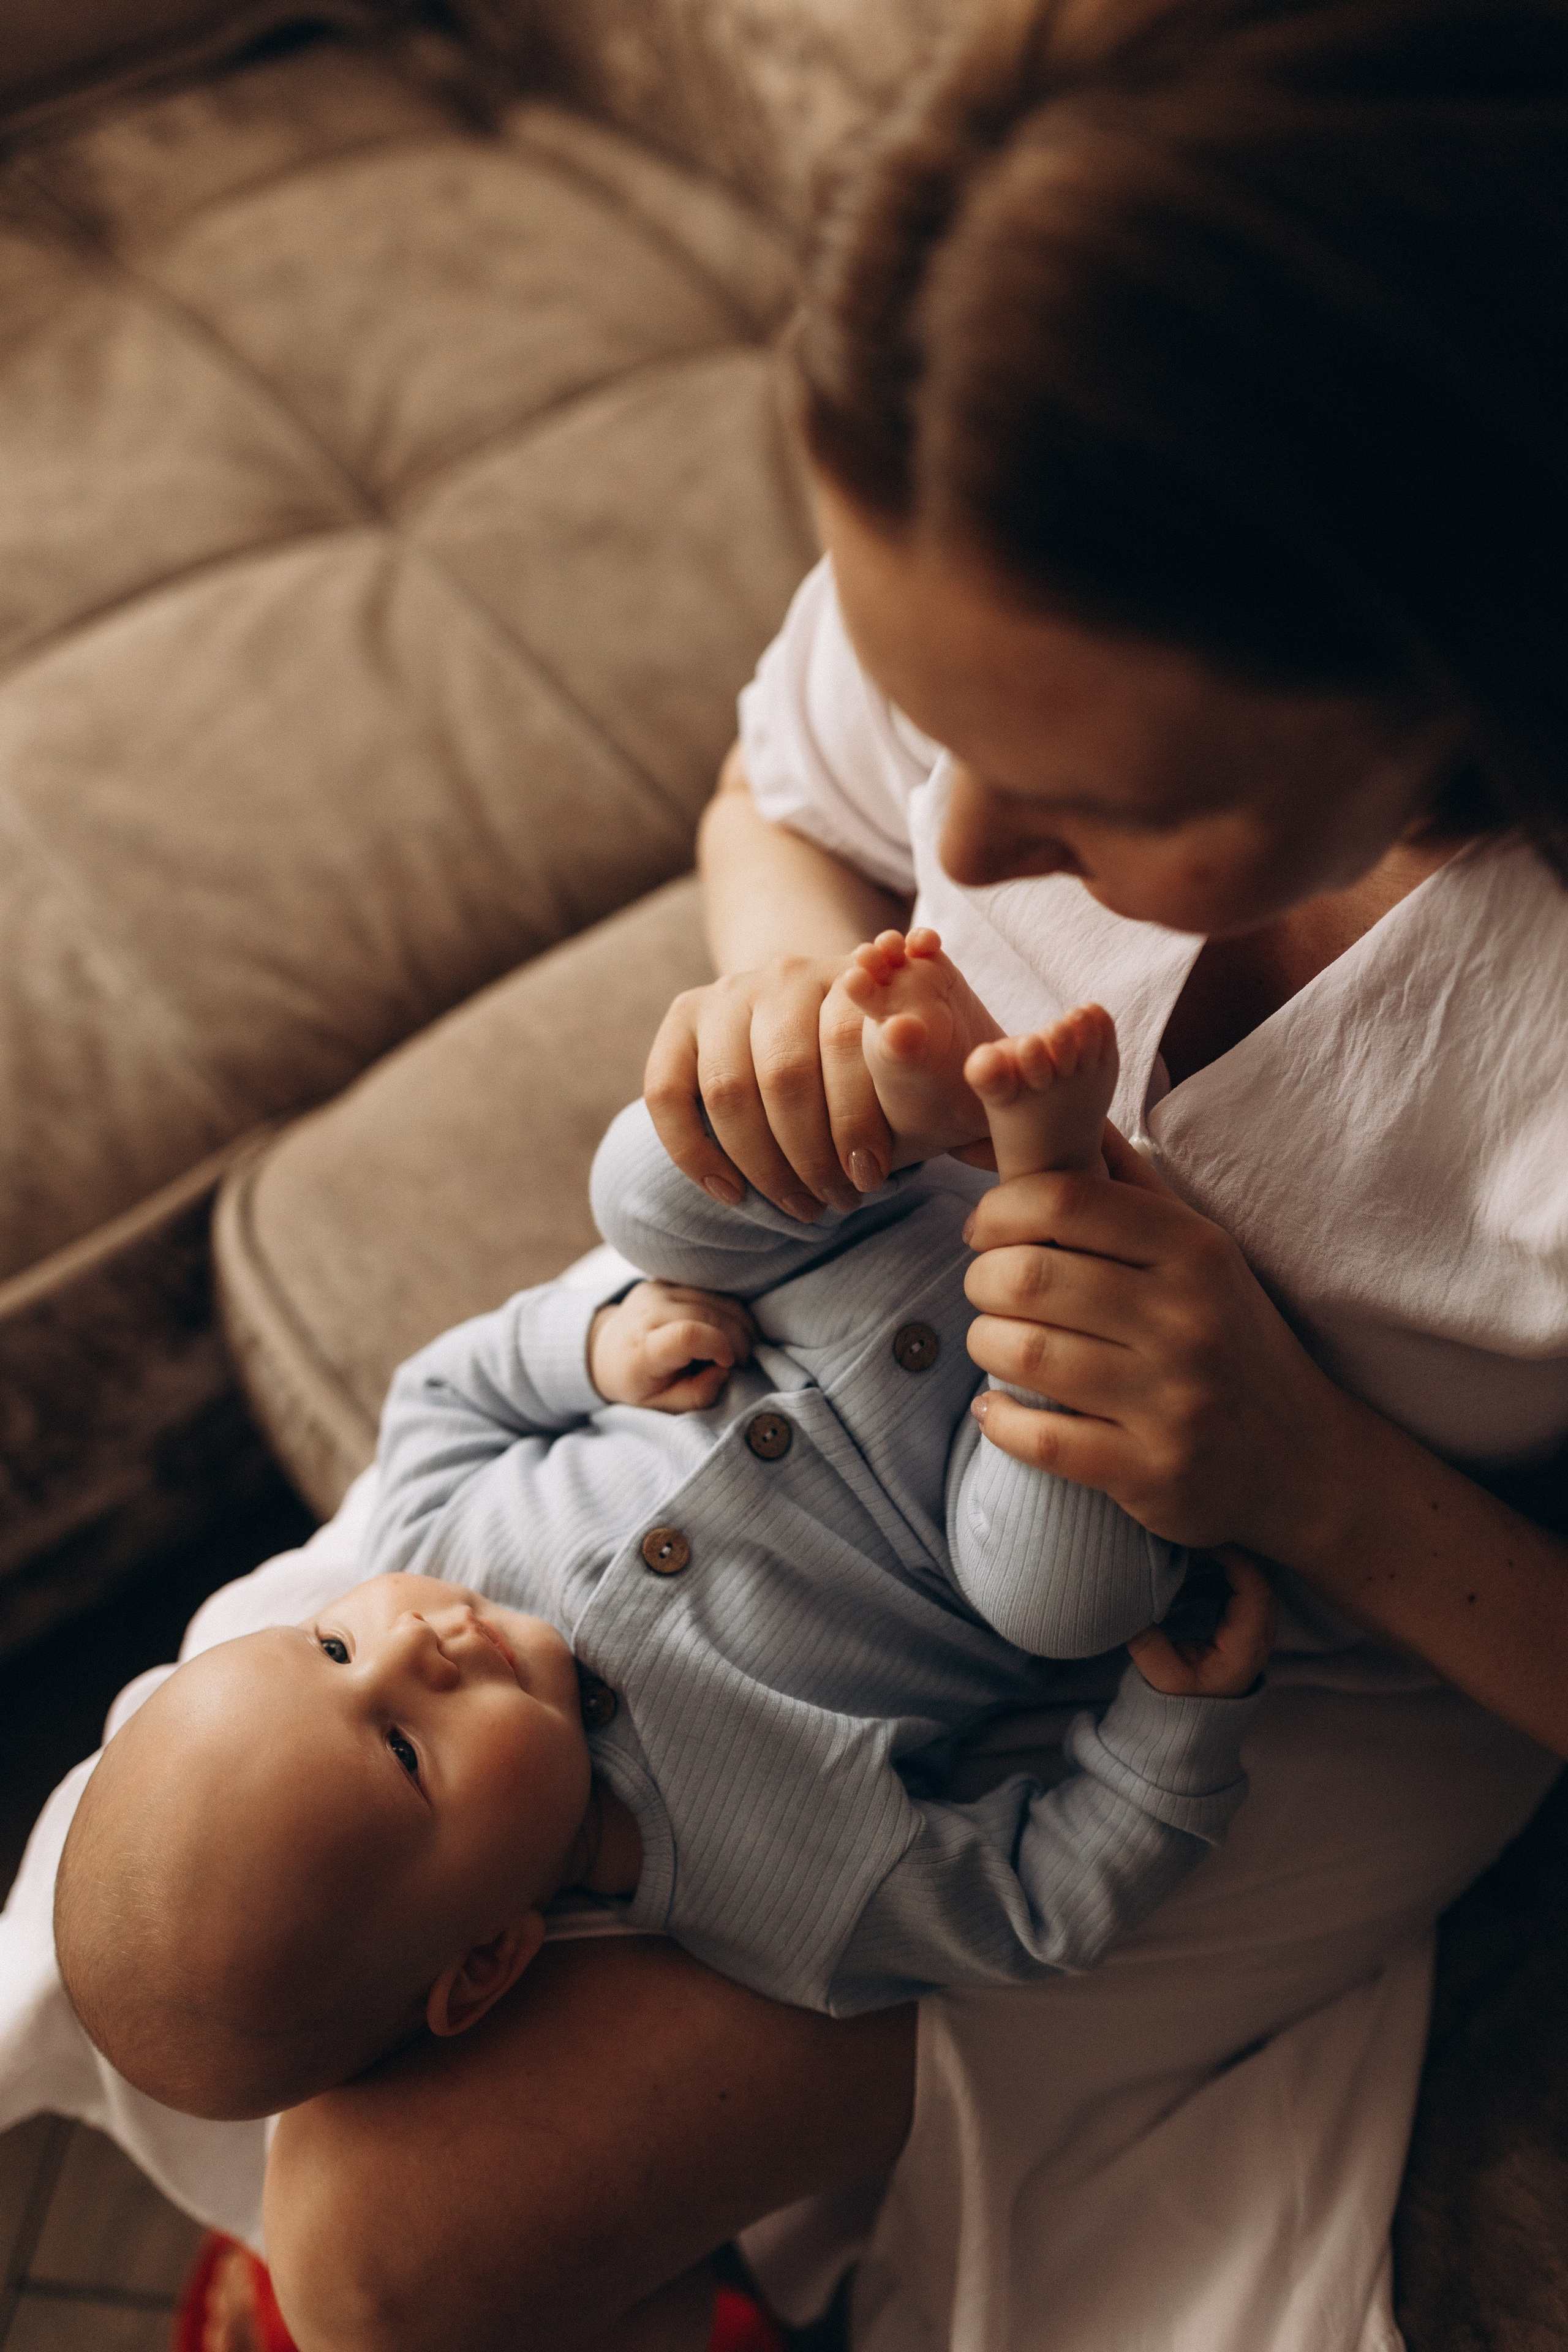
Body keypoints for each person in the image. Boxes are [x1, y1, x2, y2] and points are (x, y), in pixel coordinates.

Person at [250, 3, 1568, 2348]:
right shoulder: (1005, 500)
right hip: (801, 1393)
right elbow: (787, 811)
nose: (958, 851)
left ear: (1455, 664)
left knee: (382, 2254)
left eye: (1104, 797)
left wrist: (1312, 1475)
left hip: (1280, 1660)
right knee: (253, 1912)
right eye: (937, 711)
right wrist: (791, 1002)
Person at [54, 1012, 1274, 2125]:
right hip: (985, 1466)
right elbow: (1031, 1911)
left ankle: (904, 1112)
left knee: (639, 1193)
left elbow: (443, 1394)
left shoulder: (425, 1541)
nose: (411, 1648)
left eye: (330, 1646)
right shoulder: (772, 1891)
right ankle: (1054, 1200)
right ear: (486, 1959)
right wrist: (1172, 1730)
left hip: (813, 1286)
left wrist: (591, 1348)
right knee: (1071, 1598)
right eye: (403, 1752)